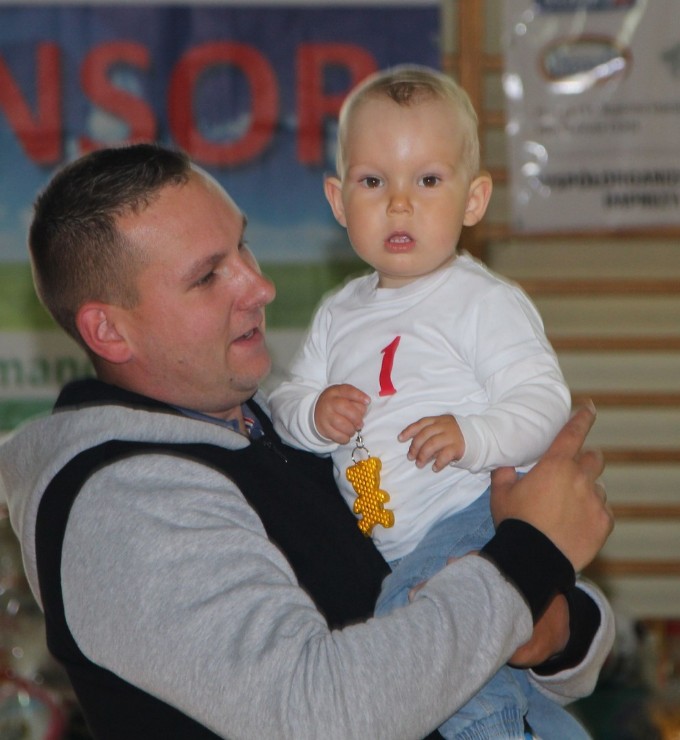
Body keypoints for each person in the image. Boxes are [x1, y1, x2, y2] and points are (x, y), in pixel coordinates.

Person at [0, 143, 614, 740]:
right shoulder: (121, 502)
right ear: (109, 331)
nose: (258, 286)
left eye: (242, 245)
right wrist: (531, 557)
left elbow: (471, 591)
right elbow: (316, 715)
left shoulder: (281, 426)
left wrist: (555, 633)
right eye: (208, 276)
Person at [269, 65, 582, 738]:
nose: (399, 204)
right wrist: (314, 415)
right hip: (392, 534)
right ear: (337, 200)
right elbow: (284, 405)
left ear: (474, 199)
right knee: (480, 666)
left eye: (428, 180)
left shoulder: (482, 302)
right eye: (373, 182)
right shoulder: (338, 314)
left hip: (471, 509)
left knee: (414, 620)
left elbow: (544, 404)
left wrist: (474, 436)